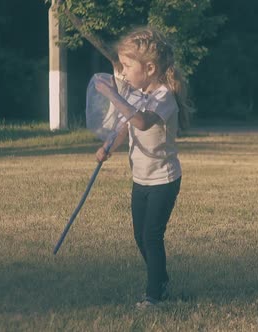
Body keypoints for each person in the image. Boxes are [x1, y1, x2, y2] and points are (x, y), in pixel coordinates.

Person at [93, 27, 191, 310]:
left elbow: (142, 122)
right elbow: (125, 128)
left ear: (149, 68)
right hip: (141, 179)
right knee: (140, 235)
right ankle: (160, 280)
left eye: (126, 66)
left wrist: (114, 95)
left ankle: (154, 296)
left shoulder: (164, 97)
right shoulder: (137, 94)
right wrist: (108, 148)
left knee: (151, 236)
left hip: (164, 179)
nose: (122, 73)